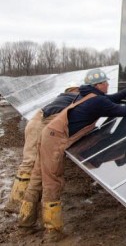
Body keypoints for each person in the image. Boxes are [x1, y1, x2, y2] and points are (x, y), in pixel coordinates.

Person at [18, 68, 126, 241]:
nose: (108, 84)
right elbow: (121, 111)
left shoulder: (89, 95)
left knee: (37, 176)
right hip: (55, 140)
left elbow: (111, 99)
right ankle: (52, 231)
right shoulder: (96, 101)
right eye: (106, 82)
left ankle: (26, 221)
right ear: (99, 85)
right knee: (52, 181)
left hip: (49, 135)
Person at [5, 83, 80, 213]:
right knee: (32, 165)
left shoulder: (61, 97)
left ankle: (16, 202)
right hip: (40, 127)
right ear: (74, 90)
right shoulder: (74, 97)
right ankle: (17, 203)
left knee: (28, 163)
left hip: (34, 123)